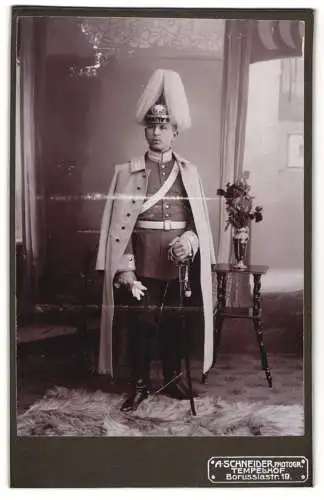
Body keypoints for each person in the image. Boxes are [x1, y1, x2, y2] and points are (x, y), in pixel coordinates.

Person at [96, 69, 216, 412]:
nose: (156, 133)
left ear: (176, 132)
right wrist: (126, 269)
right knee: (141, 326)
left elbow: (198, 224)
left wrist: (189, 242)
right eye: (151, 126)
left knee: (175, 324)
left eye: (163, 126)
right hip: (141, 263)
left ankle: (172, 379)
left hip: (177, 263)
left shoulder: (189, 172)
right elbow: (117, 228)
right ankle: (138, 384)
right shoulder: (126, 172)